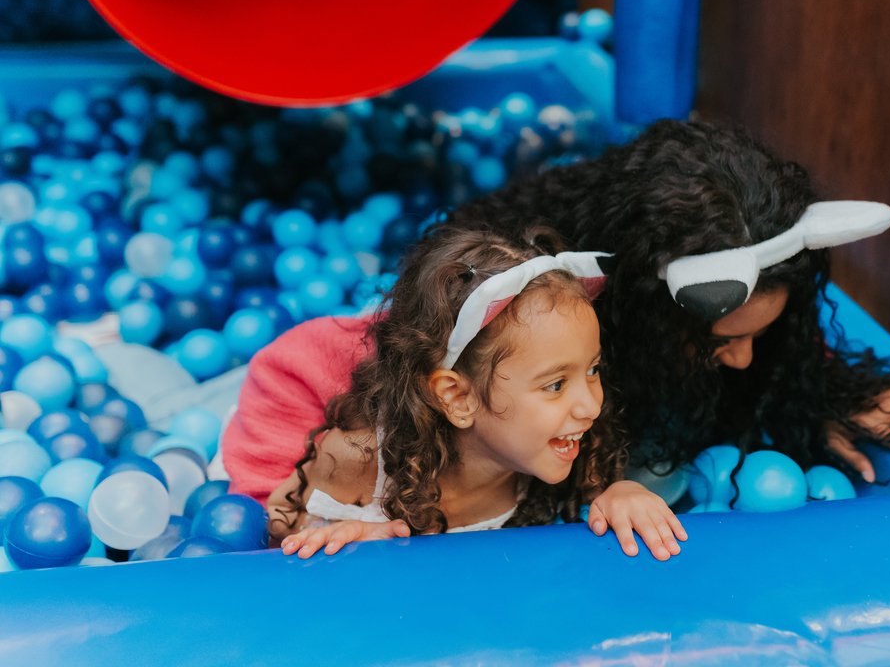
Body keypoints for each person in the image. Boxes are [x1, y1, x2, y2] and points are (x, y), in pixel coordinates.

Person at [446, 119, 890, 484]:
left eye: (759, 337)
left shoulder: (727, 337)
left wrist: (821, 403)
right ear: (647, 313)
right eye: (724, 339)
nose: (743, 360)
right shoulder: (550, 309)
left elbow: (768, 372)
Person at [264, 226, 687, 560]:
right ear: (457, 397)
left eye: (593, 369)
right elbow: (276, 533)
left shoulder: (563, 449)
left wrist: (622, 493)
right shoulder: (358, 460)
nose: (591, 405)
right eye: (555, 384)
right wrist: (350, 541)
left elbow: (601, 497)